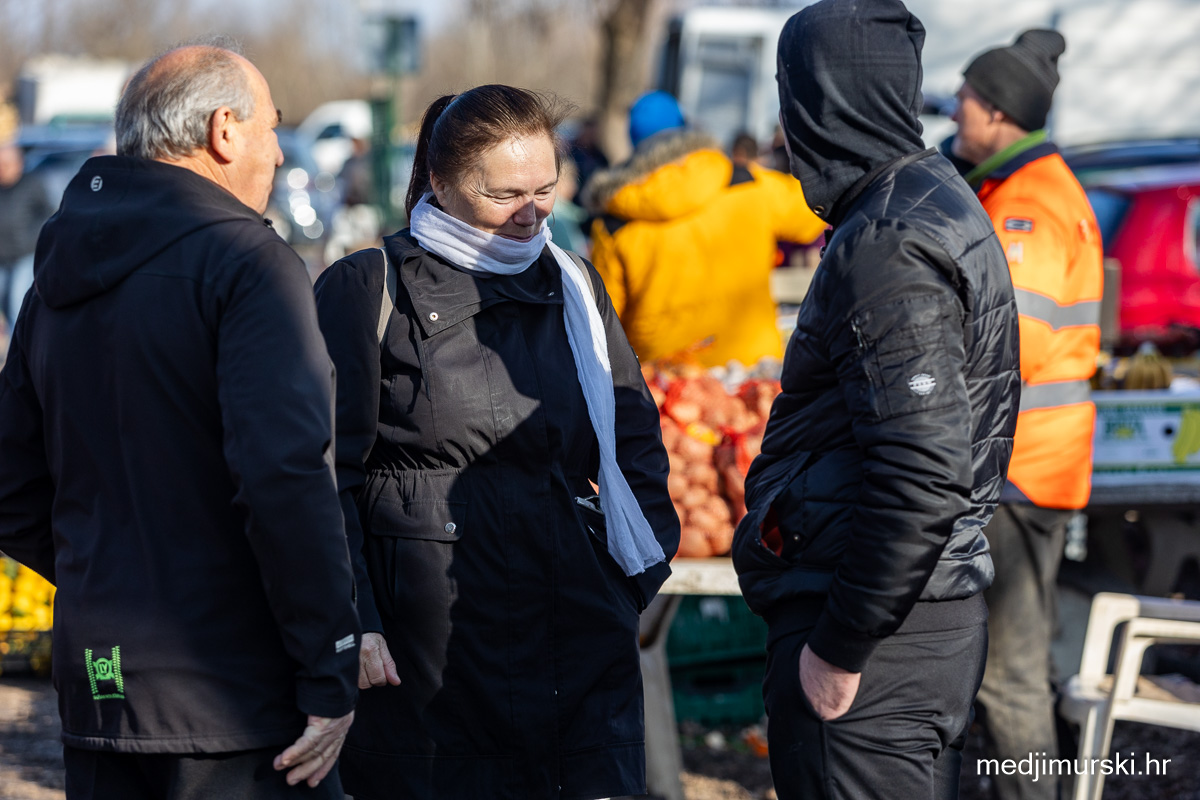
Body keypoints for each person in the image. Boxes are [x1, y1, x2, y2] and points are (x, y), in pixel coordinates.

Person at [0, 41, 360, 799]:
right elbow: (285, 475)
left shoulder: (54, 277)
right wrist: (329, 665)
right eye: (272, 127)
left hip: (101, 681)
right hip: (233, 696)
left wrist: (108, 576)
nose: (276, 151)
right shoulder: (249, 264)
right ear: (225, 131)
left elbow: (10, 484)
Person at [312, 84, 680, 800]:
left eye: (545, 189)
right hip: (427, 657)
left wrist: (628, 581)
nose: (531, 213)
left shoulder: (576, 285)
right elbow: (325, 474)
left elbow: (634, 438)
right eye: (505, 194)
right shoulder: (367, 288)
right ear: (442, 181)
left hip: (577, 641)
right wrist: (356, 621)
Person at [730, 2, 1021, 799]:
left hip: (877, 638)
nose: (785, 129)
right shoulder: (929, 198)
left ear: (824, 100)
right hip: (917, 616)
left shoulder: (889, 238)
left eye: (791, 97)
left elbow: (922, 467)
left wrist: (840, 646)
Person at [950, 29, 1104, 800]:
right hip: (1036, 463)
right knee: (1019, 663)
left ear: (998, 112)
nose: (954, 112)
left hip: (1017, 467)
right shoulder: (1028, 189)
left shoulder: (1028, 205)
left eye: (965, 100)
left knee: (1006, 676)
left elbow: (1014, 344)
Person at [584, 91, 826, 368]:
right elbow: (813, 209)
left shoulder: (615, 220)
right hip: (754, 370)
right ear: (685, 127)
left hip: (666, 378)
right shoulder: (747, 183)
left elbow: (603, 321)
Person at [0, 107, 55, 328]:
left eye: (6, 164)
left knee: (18, 304)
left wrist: (30, 239)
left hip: (24, 256)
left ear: (18, 163)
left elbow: (49, 215)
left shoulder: (32, 184)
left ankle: (18, 345)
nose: (3, 169)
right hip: (2, 257)